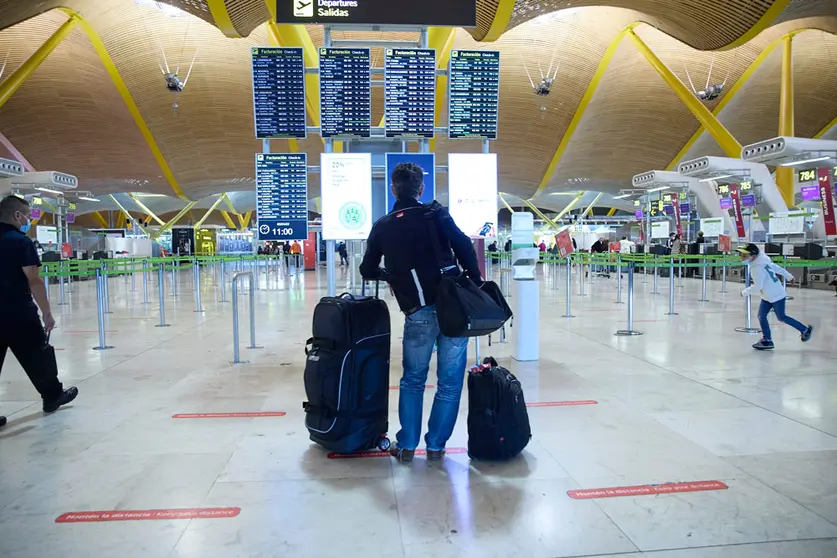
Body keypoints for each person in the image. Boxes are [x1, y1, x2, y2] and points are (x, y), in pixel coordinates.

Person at [360, 162, 481, 463]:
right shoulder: (435, 213)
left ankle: (407, 445)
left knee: (413, 378)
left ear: (393, 188)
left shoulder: (383, 225)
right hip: (453, 308)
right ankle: (437, 446)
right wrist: (475, 279)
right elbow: (463, 244)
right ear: (421, 189)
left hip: (417, 311)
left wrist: (390, 276)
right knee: (450, 381)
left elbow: (366, 269)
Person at [0, 195, 78, 428]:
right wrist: (46, 313)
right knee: (37, 354)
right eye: (28, 215)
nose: (28, 220)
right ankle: (52, 395)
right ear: (17, 215)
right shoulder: (20, 242)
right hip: (17, 311)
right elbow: (33, 280)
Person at [737, 243, 813, 351]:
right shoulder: (763, 262)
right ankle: (767, 340)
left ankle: (805, 330)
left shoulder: (757, 268)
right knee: (761, 316)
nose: (742, 258)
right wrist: (789, 276)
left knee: (781, 317)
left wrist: (744, 292)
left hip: (776, 295)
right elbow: (777, 268)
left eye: (745, 256)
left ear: (753, 256)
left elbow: (758, 286)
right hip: (767, 295)